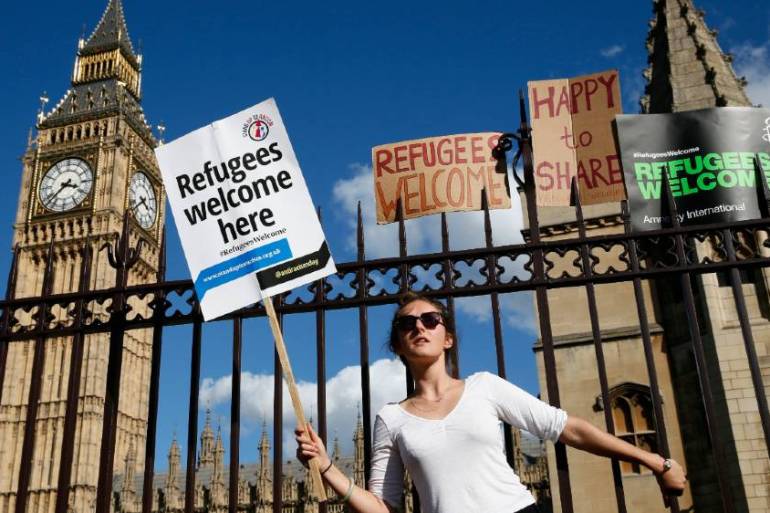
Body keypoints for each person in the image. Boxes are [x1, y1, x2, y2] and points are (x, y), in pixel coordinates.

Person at [296, 292, 687, 513]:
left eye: (431, 320)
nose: (419, 326)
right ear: (398, 345)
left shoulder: (485, 387)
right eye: (406, 323)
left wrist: (656, 461)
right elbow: (384, 507)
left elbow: (567, 428)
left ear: (447, 338)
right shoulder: (391, 418)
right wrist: (327, 466)